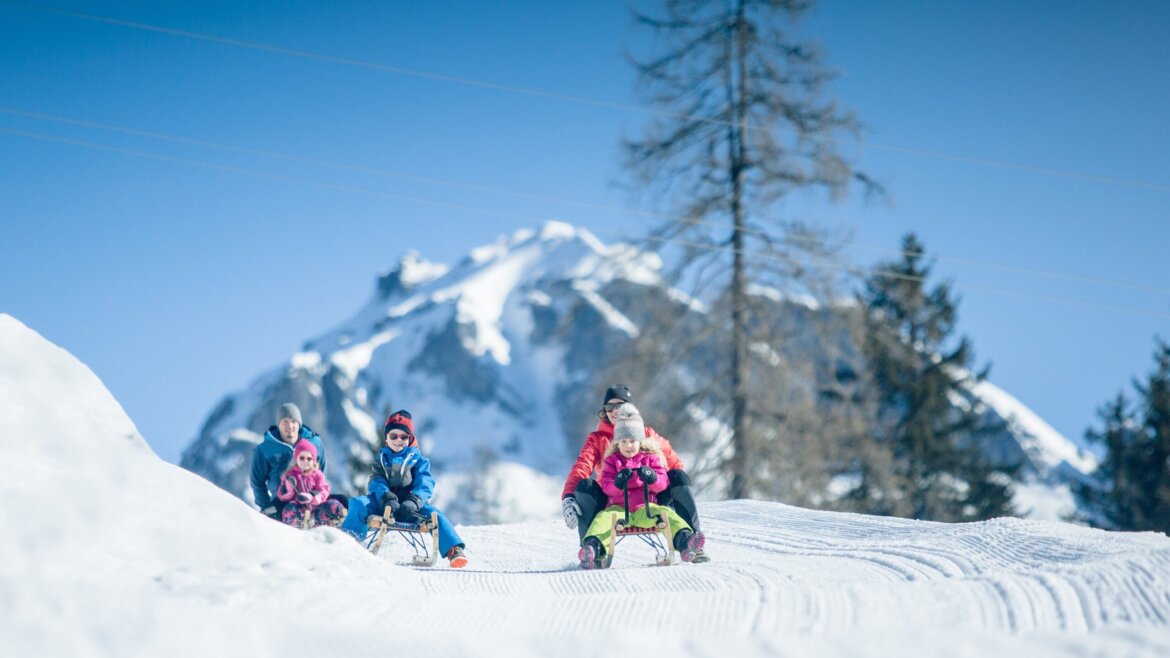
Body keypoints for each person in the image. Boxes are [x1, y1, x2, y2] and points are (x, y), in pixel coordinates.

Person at [561, 384, 709, 562]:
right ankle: (593, 551)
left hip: (649, 498)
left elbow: (675, 464)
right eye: (610, 407)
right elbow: (581, 467)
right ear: (604, 411)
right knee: (585, 486)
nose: (615, 411)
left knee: (679, 476)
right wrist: (568, 496)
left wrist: (655, 480)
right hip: (613, 499)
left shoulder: (646, 435)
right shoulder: (598, 439)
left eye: (620, 406)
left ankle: (691, 544)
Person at [340, 410, 469, 568]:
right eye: (393, 436)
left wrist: (414, 500)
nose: (398, 440)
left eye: (403, 436)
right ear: (386, 438)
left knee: (435, 516)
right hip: (385, 505)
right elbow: (376, 480)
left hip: (411, 508)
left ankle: (454, 550)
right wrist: (385, 496)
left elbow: (425, 482)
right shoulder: (381, 459)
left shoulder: (419, 460)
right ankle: (348, 541)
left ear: (410, 438)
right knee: (358, 504)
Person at [250, 403, 330, 519]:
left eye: (293, 421)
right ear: (279, 425)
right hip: (282, 502)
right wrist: (266, 506)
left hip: (311, 498)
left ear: (299, 424)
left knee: (342, 502)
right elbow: (257, 481)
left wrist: (317, 494)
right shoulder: (264, 450)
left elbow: (321, 470)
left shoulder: (315, 443)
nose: (290, 426)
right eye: (285, 422)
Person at [275, 439, 347, 528]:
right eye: (302, 458)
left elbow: (324, 489)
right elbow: (281, 496)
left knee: (333, 504)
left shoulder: (317, 474)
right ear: (296, 458)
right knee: (289, 508)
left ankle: (339, 521)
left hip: (316, 509)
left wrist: (313, 497)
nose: (305, 461)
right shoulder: (290, 474)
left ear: (313, 461)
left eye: (309, 459)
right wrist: (288, 489)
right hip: (300, 509)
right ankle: (295, 527)